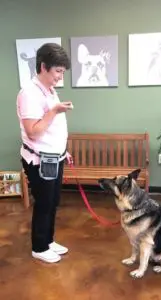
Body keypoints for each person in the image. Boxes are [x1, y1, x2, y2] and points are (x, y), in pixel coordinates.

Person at [16, 43, 73, 263]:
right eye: (57, 71)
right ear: (43, 67)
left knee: (53, 201)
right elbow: (33, 132)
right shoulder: (29, 94)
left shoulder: (49, 90)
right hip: (39, 160)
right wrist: (54, 110)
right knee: (44, 203)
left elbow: (52, 129)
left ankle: (48, 241)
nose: (60, 77)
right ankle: (39, 247)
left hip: (54, 157)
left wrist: (63, 152)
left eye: (62, 72)